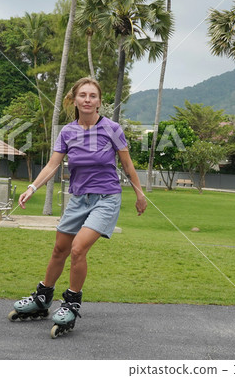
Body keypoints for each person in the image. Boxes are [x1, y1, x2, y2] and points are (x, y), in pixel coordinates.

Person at [8, 77, 147, 337]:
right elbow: (52, 165)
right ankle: (42, 298)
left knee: (78, 248)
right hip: (78, 199)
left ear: (99, 102)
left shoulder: (112, 129)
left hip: (106, 198)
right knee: (59, 249)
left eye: (92, 96)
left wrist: (140, 195)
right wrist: (31, 188)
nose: (87, 99)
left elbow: (128, 166)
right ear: (74, 100)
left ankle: (71, 302)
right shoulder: (67, 132)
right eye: (83, 95)